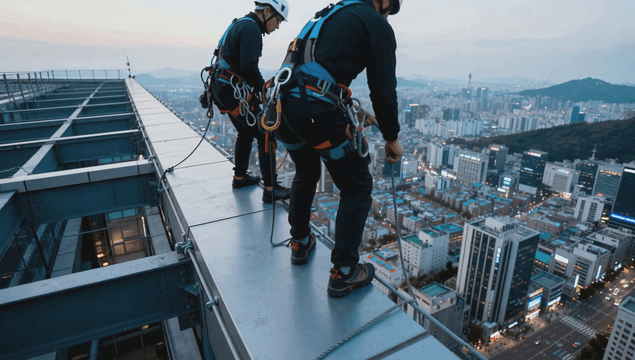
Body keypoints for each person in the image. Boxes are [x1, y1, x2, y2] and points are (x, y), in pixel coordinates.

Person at [273, 0, 403, 297]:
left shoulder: (328, 16)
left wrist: (353, 113)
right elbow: (383, 87)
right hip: (314, 108)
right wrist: (391, 137)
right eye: (388, 9)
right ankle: (344, 271)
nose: (386, 16)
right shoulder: (376, 24)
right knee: (357, 186)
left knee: (306, 171)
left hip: (284, 107)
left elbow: (317, 71)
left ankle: (299, 242)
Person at [210, 0, 291, 202]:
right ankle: (271, 189)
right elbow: (249, 67)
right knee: (266, 134)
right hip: (231, 89)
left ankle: (240, 177)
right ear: (268, 11)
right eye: (278, 21)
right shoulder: (251, 30)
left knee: (245, 132)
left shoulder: (240, 24)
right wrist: (264, 90)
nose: (277, 26)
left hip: (222, 88)